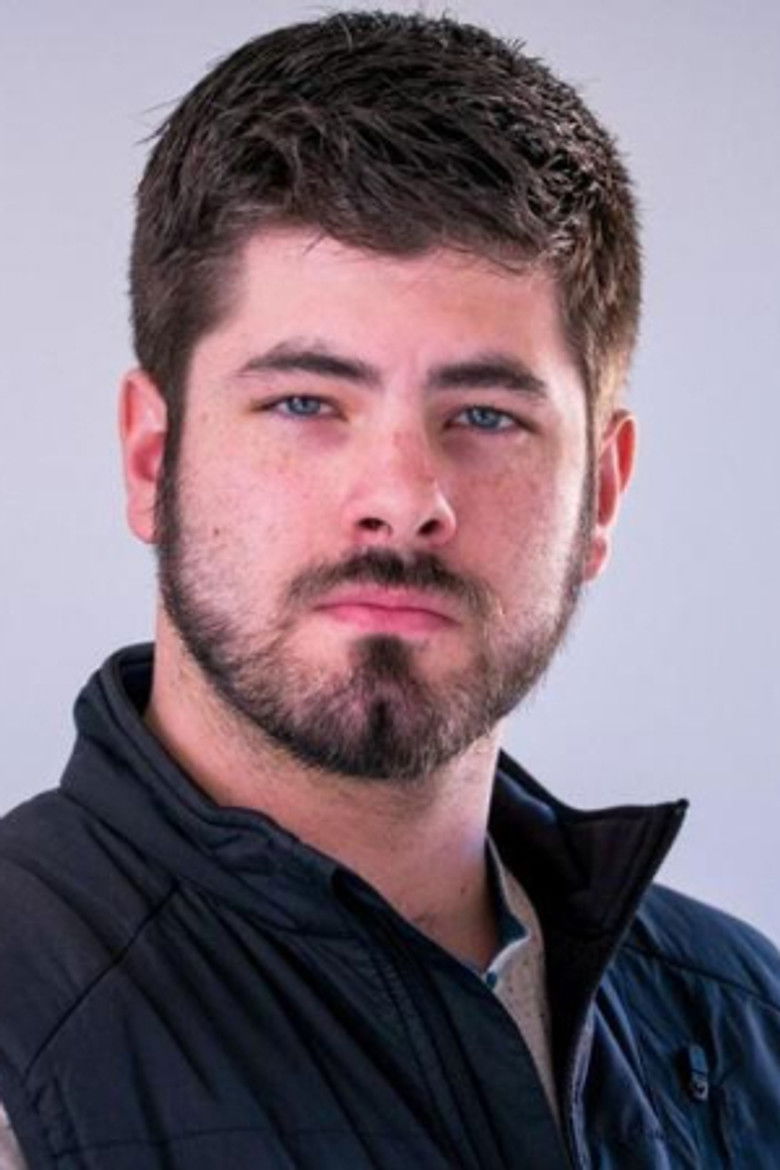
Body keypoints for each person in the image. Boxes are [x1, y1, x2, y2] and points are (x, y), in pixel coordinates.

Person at [1, 10, 778, 1169]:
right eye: (305, 402)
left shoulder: (747, 1025)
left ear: (603, 493)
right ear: (152, 460)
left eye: (486, 416)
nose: (406, 498)